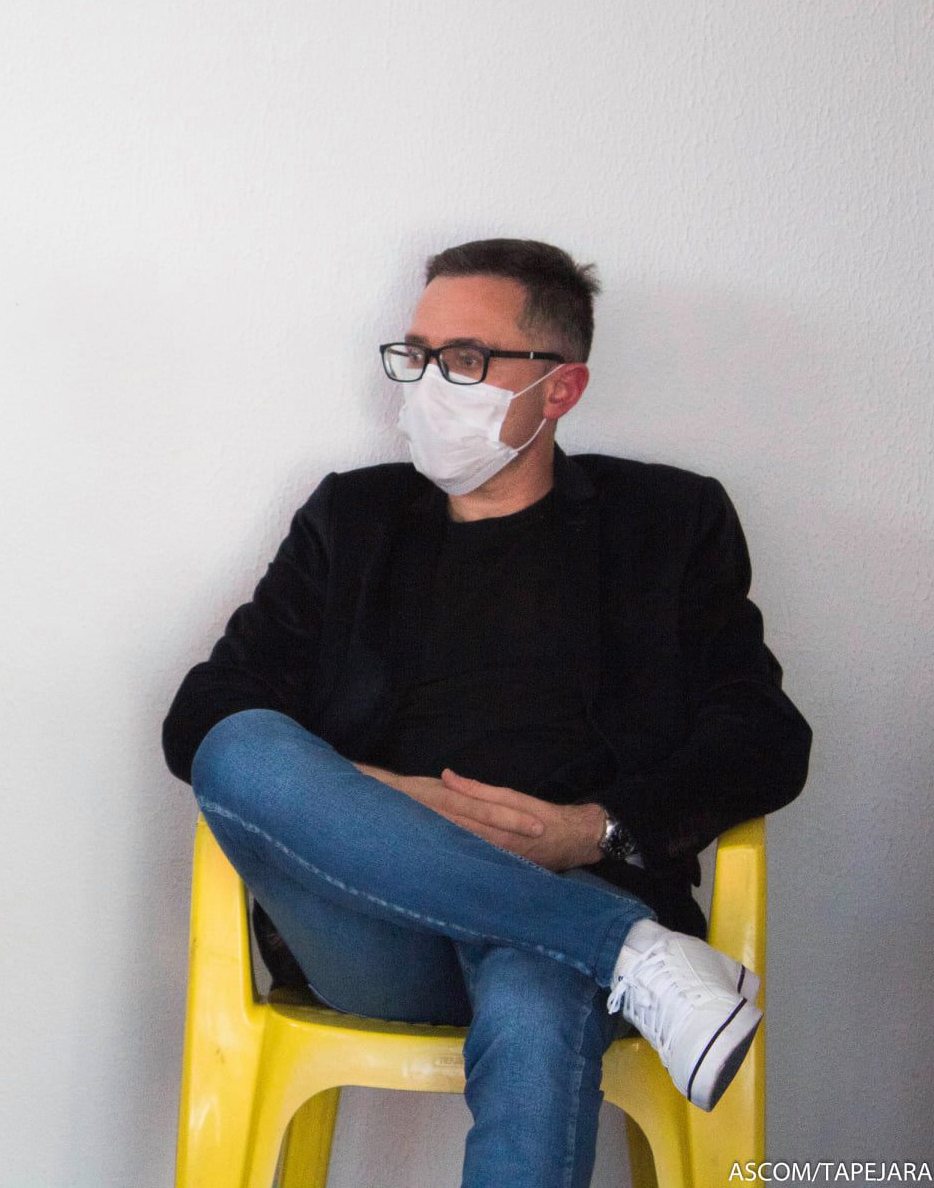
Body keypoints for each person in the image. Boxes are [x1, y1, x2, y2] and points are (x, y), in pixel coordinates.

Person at [162, 239, 809, 1188]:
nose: (428, 384)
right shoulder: (352, 519)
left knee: (536, 978)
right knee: (239, 747)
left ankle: (591, 939)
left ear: (560, 388)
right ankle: (628, 953)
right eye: (417, 355)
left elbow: (765, 738)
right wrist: (386, 801)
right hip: (376, 926)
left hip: (580, 882)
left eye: (465, 360)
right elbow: (205, 715)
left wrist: (595, 830)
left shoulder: (667, 522)